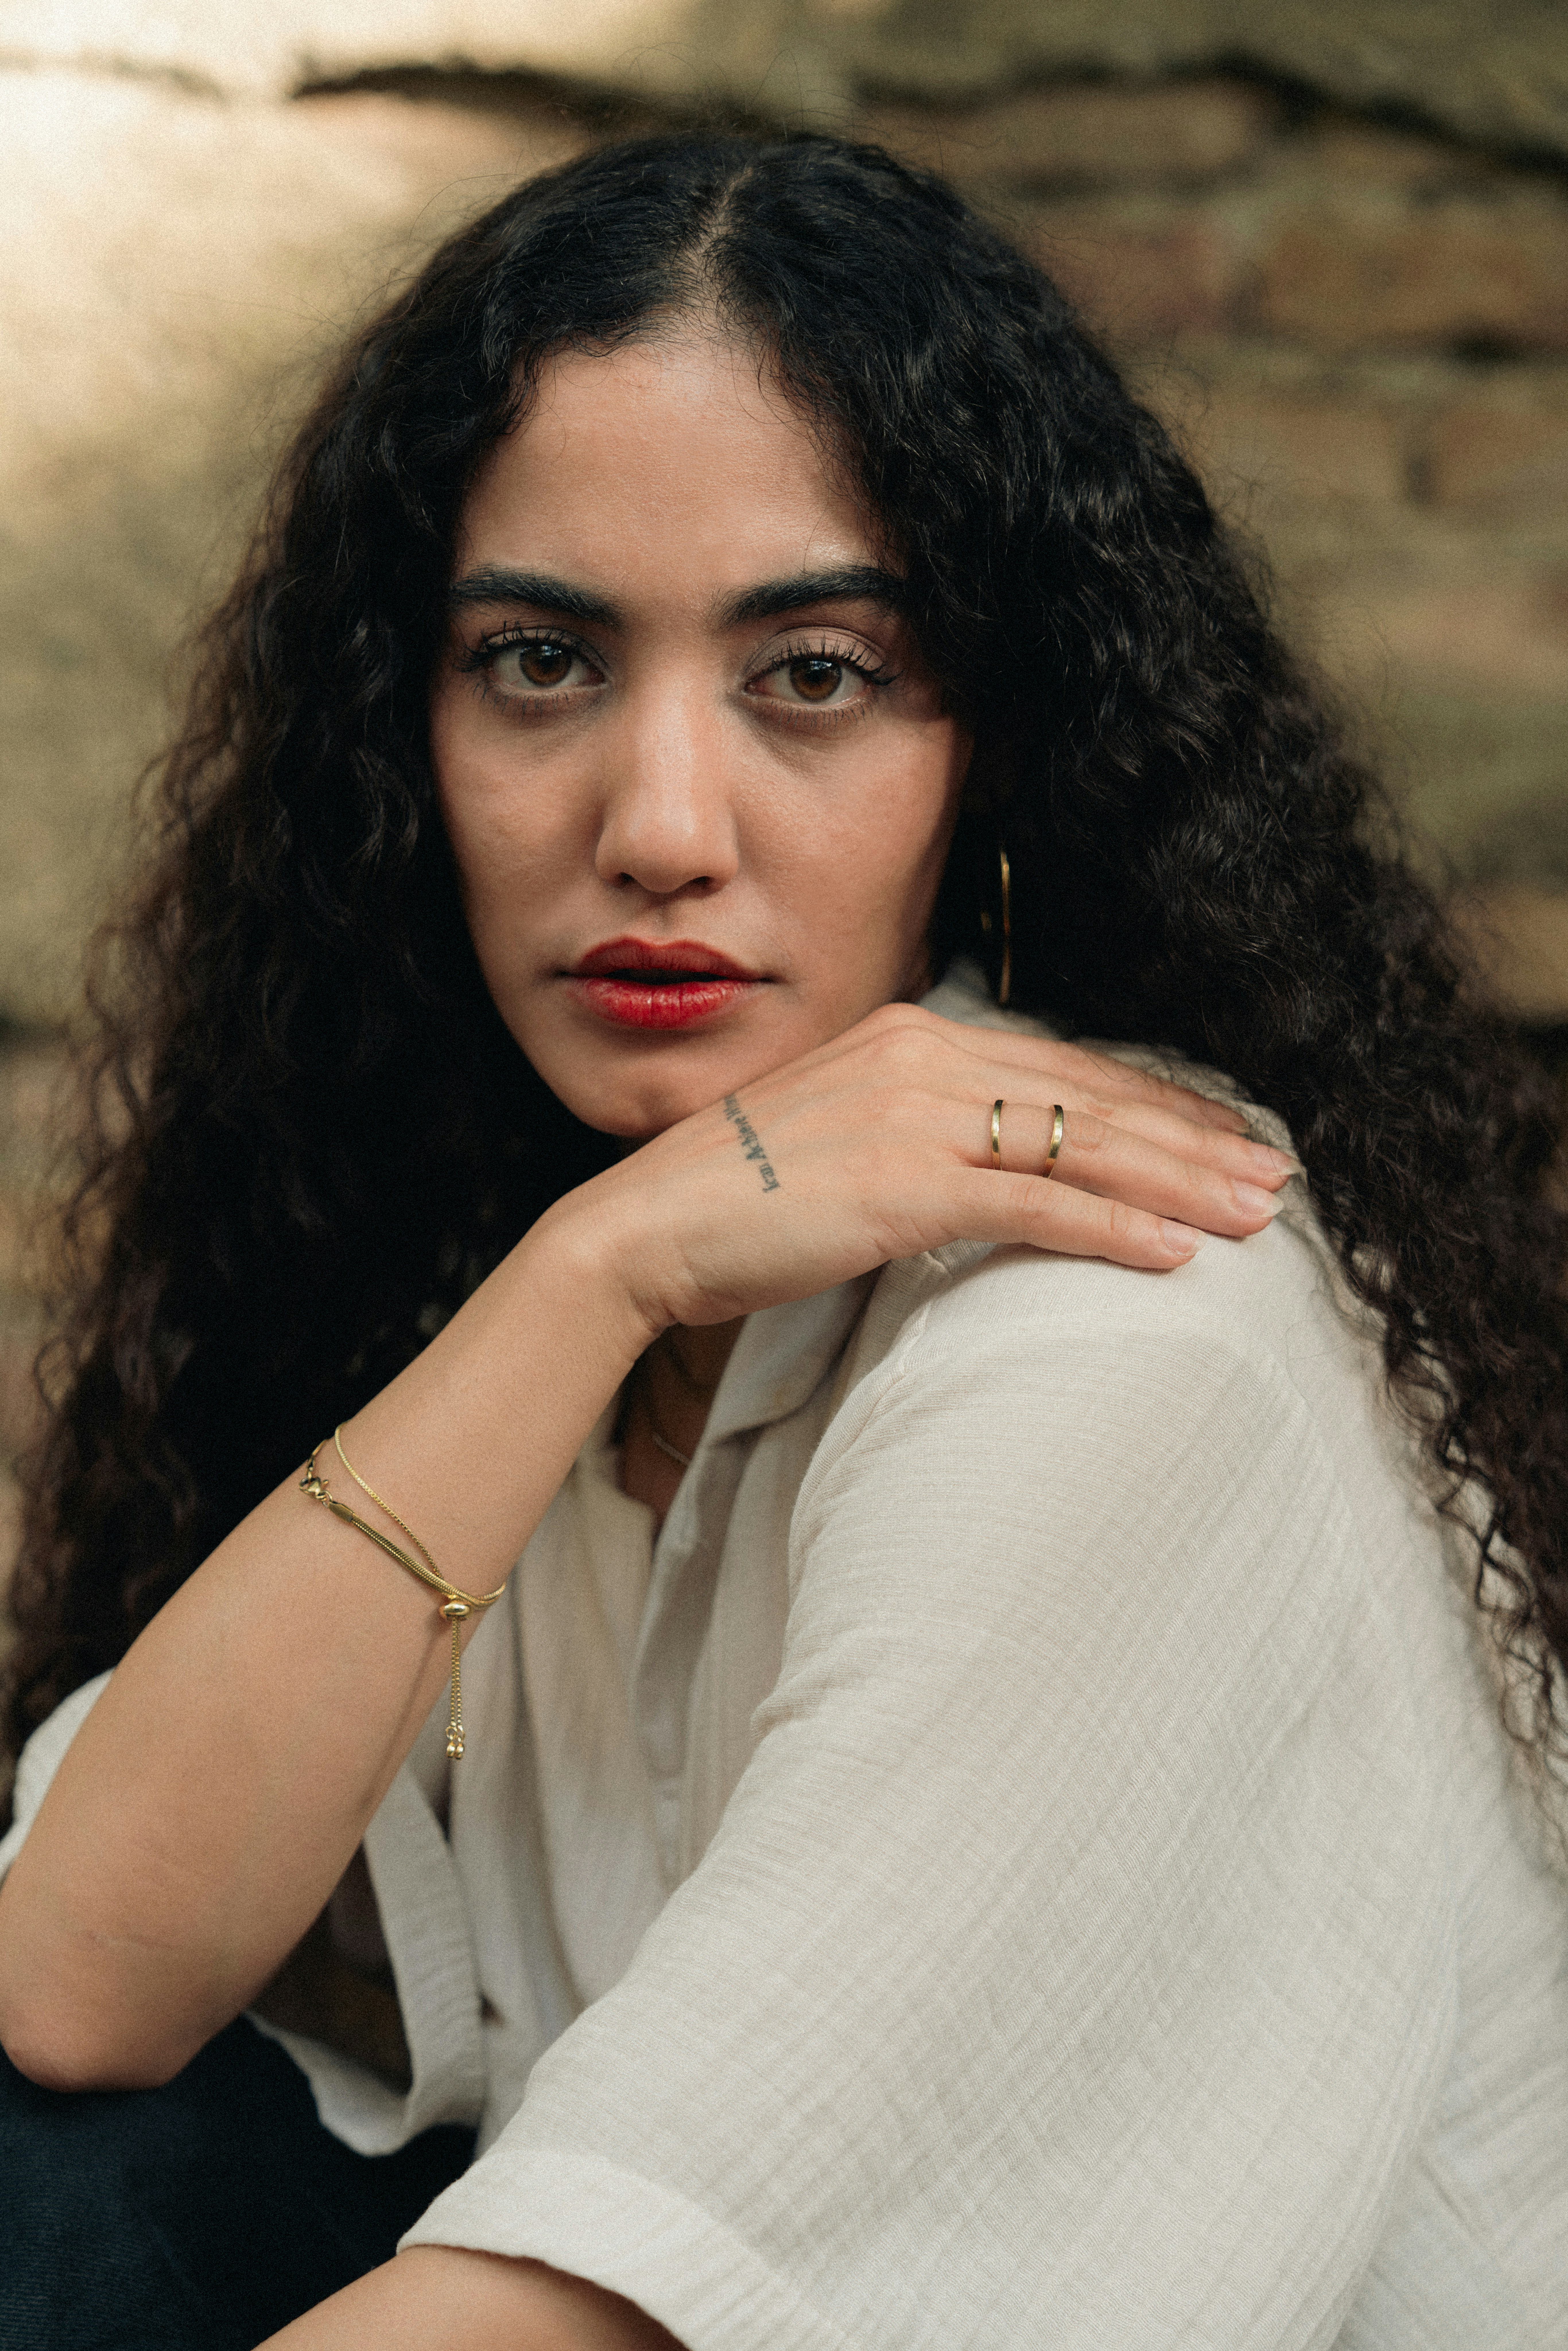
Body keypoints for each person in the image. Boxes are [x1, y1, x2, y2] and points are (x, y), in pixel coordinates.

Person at [0, 127, 1565, 2351]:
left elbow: (613, 2303)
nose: (656, 825)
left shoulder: (1119, 1324)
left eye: (811, 673)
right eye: (537, 663)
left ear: (996, 745)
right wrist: (581, 1279)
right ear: (402, 732)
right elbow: (73, 1988)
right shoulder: (600, 1262)